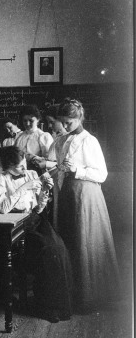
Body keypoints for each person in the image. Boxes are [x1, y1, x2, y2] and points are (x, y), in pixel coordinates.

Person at [55, 98, 120, 312]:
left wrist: (77, 171)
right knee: (70, 241)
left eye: (69, 123)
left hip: (86, 196)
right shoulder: (61, 141)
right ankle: (72, 295)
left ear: (79, 118)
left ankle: (89, 297)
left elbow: (102, 174)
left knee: (86, 243)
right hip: (67, 194)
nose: (65, 127)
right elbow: (61, 168)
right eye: (62, 122)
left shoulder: (89, 140)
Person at [0, 146, 73, 322]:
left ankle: (59, 306)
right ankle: (46, 307)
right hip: (15, 223)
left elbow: (38, 207)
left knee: (58, 249)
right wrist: (24, 187)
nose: (24, 170)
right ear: (7, 167)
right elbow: (3, 208)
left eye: (24, 165)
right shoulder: (0, 179)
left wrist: (45, 191)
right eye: (19, 167)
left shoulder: (30, 174)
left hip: (35, 219)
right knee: (47, 250)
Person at [32, 105, 68, 230]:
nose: (50, 126)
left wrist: (46, 164)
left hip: (63, 183)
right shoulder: (57, 139)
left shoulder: (69, 140)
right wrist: (45, 161)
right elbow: (55, 161)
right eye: (48, 123)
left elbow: (65, 165)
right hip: (54, 183)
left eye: (52, 122)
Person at [14, 105, 53, 174]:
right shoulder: (19, 136)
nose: (27, 123)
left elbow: (49, 160)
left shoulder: (43, 136)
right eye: (25, 121)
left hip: (38, 172)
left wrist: (32, 158)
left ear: (38, 120)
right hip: (20, 172)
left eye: (31, 121)